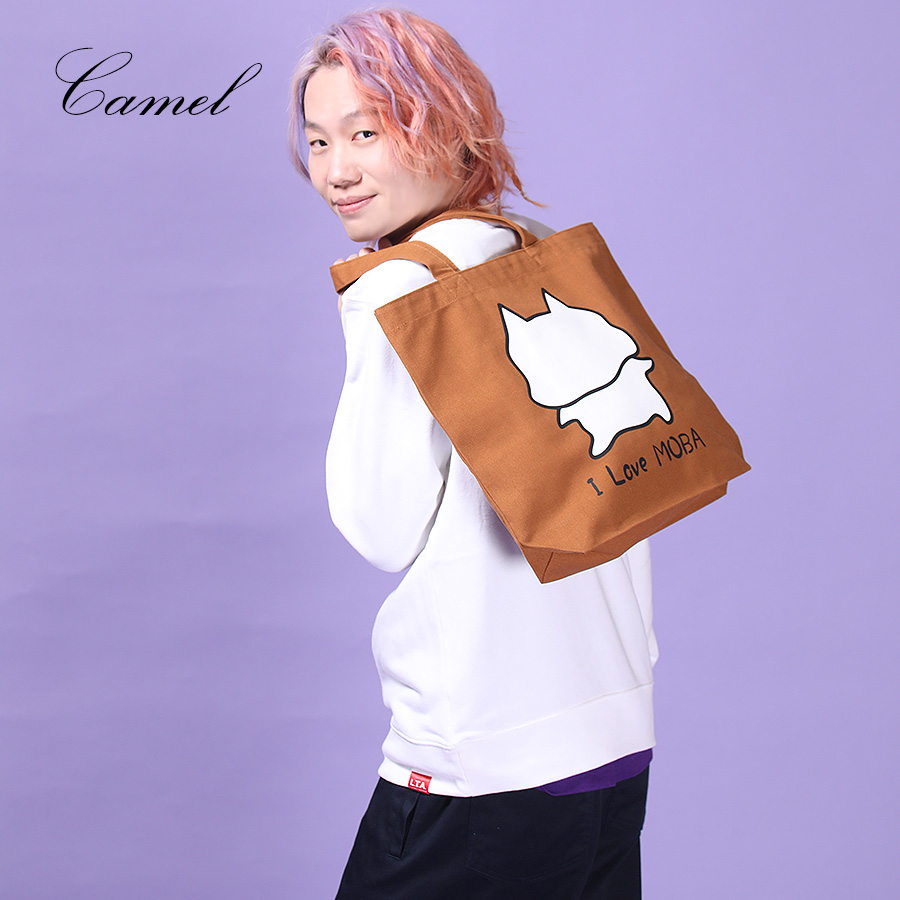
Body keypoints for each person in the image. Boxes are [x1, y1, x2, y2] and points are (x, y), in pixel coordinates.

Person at [289, 10, 657, 899]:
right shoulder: (539, 257)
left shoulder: (402, 287)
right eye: (319, 140)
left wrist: (372, 320)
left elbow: (378, 528)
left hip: (482, 761)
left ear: (446, 127)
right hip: (611, 739)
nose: (336, 172)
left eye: (367, 133)